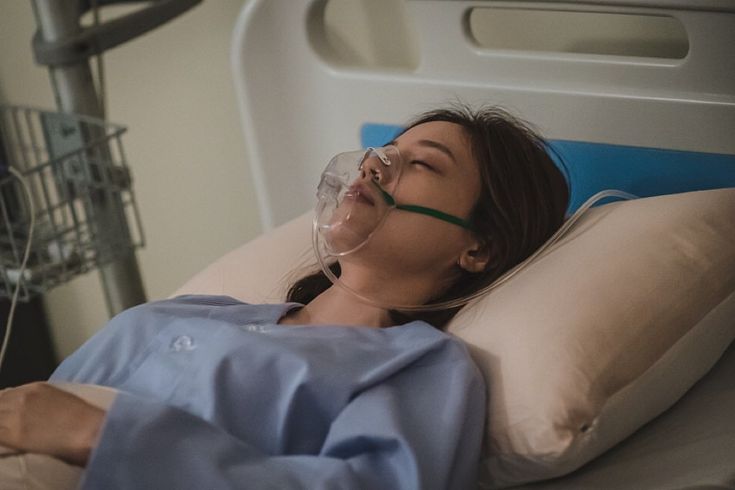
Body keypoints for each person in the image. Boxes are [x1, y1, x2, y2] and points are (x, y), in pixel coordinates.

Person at [0, 105, 569, 489]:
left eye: (419, 164)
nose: (374, 163)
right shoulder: (186, 311)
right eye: (384, 151)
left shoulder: (418, 367)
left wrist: (95, 435)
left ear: (478, 249)